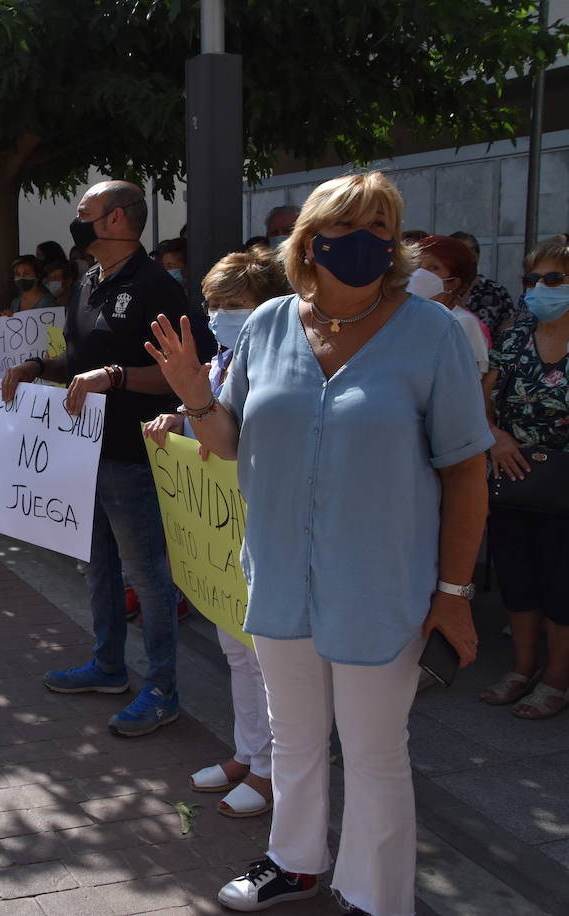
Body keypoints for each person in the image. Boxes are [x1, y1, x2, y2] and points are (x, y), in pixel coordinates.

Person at [147, 172, 490, 913]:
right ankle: (294, 860)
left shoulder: (431, 332)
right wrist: (195, 397)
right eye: (346, 225)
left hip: (383, 588)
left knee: (373, 752)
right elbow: (228, 443)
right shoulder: (269, 324)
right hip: (278, 579)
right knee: (294, 738)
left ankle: (374, 895)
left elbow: (466, 471)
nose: (363, 240)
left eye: (380, 225)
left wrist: (455, 595)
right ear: (309, 241)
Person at [1, 180, 213, 738]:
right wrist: (36, 367)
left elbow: (187, 368)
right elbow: (77, 355)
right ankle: (108, 666)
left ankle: (162, 687)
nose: (76, 222)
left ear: (117, 220)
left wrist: (116, 377)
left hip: (132, 453)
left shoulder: (156, 287)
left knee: (148, 576)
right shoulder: (89, 282)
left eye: (84, 213)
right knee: (98, 563)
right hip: (81, 450)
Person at [144, 245, 288, 821]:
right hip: (231, 540)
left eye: (235, 303)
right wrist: (179, 419)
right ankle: (247, 753)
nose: (221, 314)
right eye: (213, 304)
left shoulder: (279, 364)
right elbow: (217, 418)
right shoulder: (225, 360)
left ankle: (273, 770)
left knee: (268, 660)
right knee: (237, 649)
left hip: (266, 530)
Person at [480, 234, 569, 720]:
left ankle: (557, 679)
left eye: (553, 279)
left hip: (565, 483)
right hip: (512, 474)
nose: (539, 289)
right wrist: (494, 433)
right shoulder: (516, 335)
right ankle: (522, 668)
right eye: (531, 280)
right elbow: (482, 393)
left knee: (561, 583)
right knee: (518, 575)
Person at [411, 235, 490, 373]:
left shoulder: (462, 323)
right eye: (418, 265)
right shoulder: (407, 316)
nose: (420, 273)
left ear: (453, 283)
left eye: (433, 267)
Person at [451, 231, 522, 340]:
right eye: (460, 251)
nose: (468, 255)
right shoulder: (437, 289)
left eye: (472, 250)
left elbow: (509, 334)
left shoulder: (496, 292)